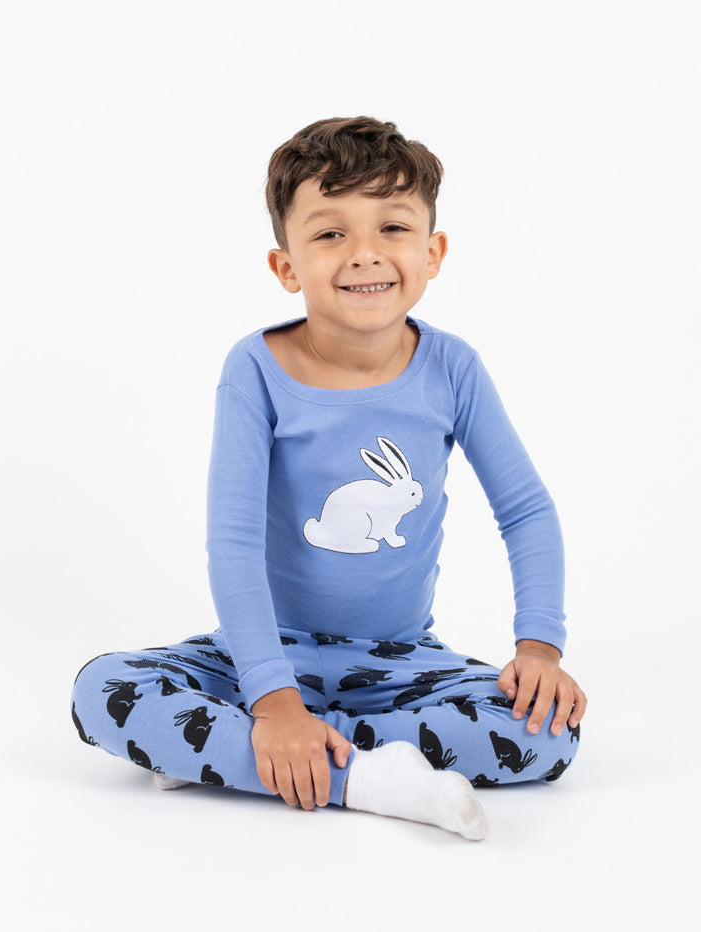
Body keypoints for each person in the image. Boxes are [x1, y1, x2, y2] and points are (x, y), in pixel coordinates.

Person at [71, 116, 587, 840]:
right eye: (330, 233)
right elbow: (234, 543)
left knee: (549, 732)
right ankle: (365, 775)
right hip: (262, 653)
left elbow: (525, 510)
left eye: (392, 228)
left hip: (401, 661)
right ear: (286, 267)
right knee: (102, 689)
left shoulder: (453, 368)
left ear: (433, 252)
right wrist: (273, 699)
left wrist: (539, 649)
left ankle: (236, 754)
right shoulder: (255, 369)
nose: (364, 254)